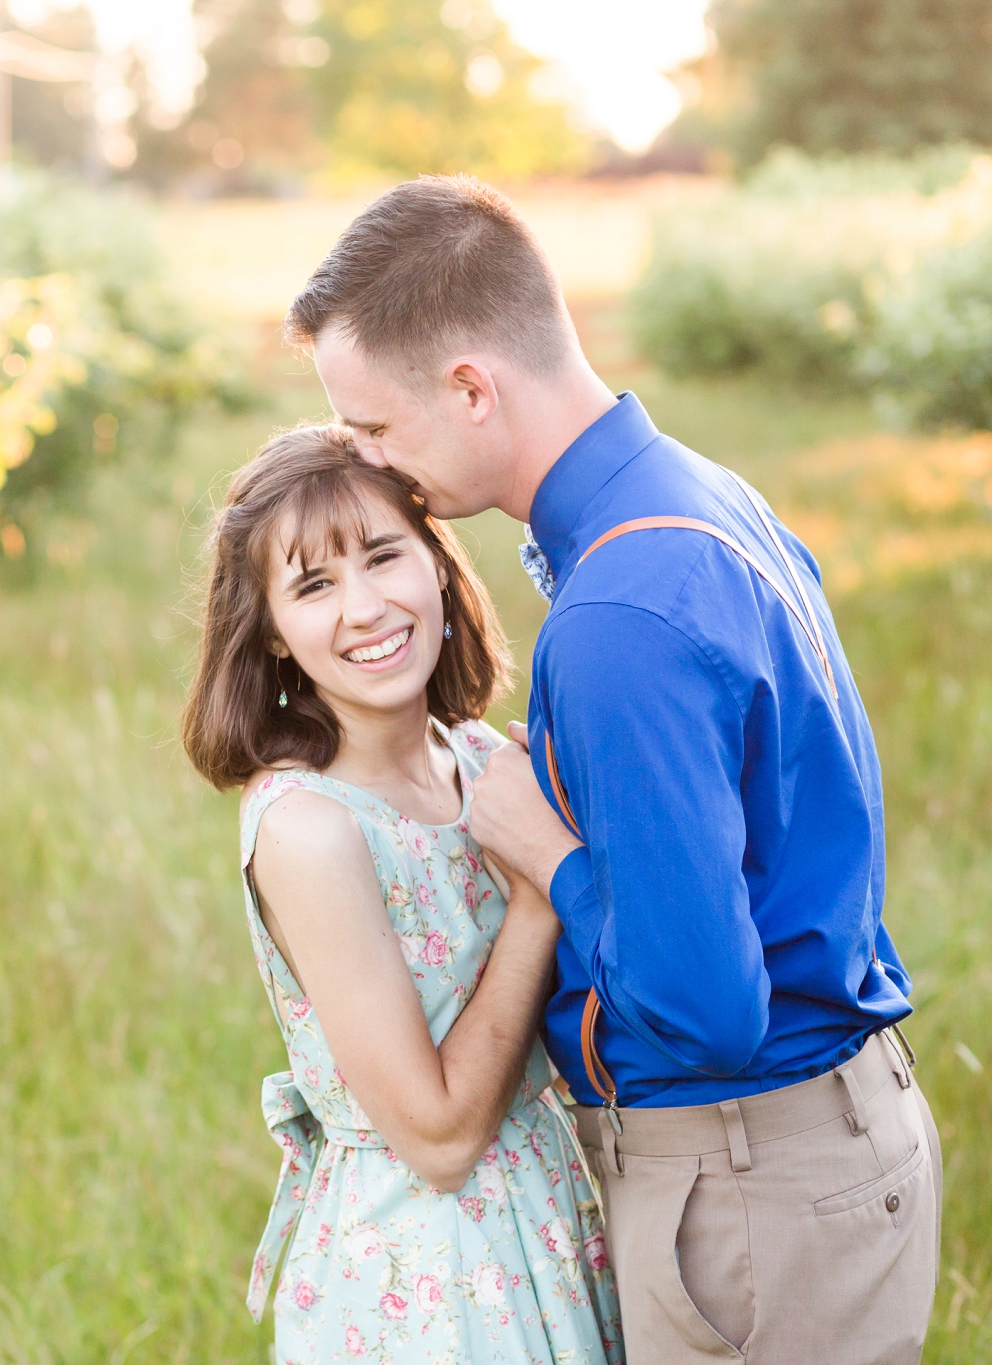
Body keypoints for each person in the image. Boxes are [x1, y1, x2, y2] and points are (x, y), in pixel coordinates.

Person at [289, 174, 940, 1364]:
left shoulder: (618, 615)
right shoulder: (697, 497)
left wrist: (549, 860)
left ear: (471, 386)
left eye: (374, 429)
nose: (372, 464)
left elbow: (703, 1013)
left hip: (751, 1182)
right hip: (828, 1144)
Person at [181, 424, 623, 1363]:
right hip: (431, 1274)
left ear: (437, 566)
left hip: (557, 1211)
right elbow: (438, 1138)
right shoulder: (309, 827)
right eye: (313, 585)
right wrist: (542, 898)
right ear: (271, 631)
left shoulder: (482, 762)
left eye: (384, 556)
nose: (366, 606)